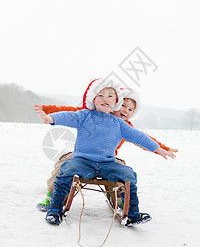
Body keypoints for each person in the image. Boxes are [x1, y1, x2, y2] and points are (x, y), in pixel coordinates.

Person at [36, 79, 176, 226]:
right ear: (93, 99)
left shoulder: (119, 123)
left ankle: (132, 214)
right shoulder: (85, 115)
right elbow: (67, 116)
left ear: (115, 101)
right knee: (67, 168)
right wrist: (50, 118)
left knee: (129, 174)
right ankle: (54, 209)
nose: (105, 99)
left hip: (107, 164)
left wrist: (159, 149)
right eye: (101, 95)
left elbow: (138, 136)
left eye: (110, 96)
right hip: (82, 161)